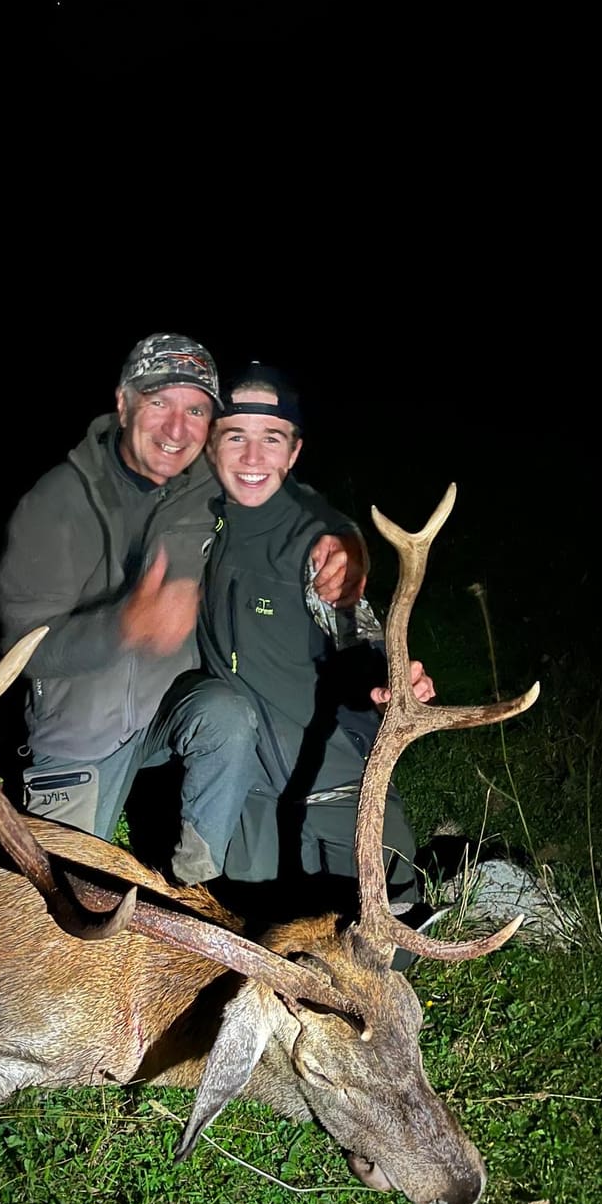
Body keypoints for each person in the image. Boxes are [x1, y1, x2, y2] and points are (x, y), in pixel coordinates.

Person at [0, 334, 366, 843]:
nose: (176, 428)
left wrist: (344, 535)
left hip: (170, 714)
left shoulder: (203, 480)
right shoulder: (55, 503)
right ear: (124, 404)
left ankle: (196, 879)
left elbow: (278, 483)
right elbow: (22, 651)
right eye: (159, 403)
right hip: (79, 734)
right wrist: (124, 626)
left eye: (195, 410)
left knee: (227, 717)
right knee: (58, 904)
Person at [163, 362, 434, 917]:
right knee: (249, 935)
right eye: (235, 437)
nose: (253, 458)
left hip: (339, 791)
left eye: (272, 439)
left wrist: (386, 677)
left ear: (294, 451)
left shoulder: (314, 542)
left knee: (394, 941)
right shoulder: (194, 517)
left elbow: (351, 623)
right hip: (253, 796)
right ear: (210, 445)